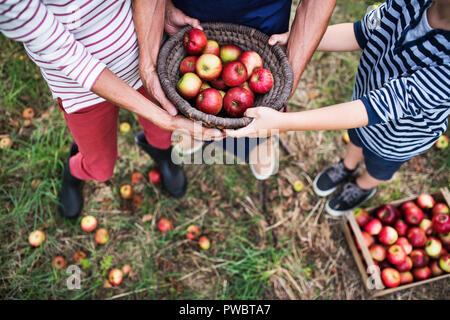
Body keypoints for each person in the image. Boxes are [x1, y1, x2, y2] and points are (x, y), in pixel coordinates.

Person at [0, 0, 223, 219]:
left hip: (145, 53)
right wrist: (164, 118)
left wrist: (162, 9)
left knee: (162, 134)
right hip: (79, 89)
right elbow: (65, 55)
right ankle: (73, 169)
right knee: (100, 168)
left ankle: (161, 153)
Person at [226, 0, 450, 216]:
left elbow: (378, 106)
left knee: (379, 166)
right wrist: (293, 39)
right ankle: (347, 165)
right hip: (361, 106)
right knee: (355, 138)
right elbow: (361, 32)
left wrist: (284, 122)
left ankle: (364, 185)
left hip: (399, 136)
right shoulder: (412, 3)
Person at [163, 0, 337, 179]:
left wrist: (292, 70)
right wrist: (165, 6)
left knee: (263, 109)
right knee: (192, 105)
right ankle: (198, 134)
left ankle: (259, 142)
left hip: (264, 20)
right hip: (193, 18)